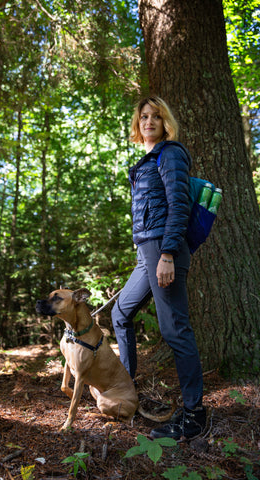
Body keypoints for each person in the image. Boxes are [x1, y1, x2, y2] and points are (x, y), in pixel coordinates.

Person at [111, 96, 206, 440]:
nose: (149, 120)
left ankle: (194, 414)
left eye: (156, 116)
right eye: (143, 116)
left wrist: (167, 254)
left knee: (175, 329)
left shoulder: (171, 154)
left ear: (165, 122)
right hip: (147, 251)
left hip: (164, 250)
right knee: (120, 313)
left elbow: (179, 203)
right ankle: (125, 392)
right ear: (137, 124)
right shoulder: (147, 160)